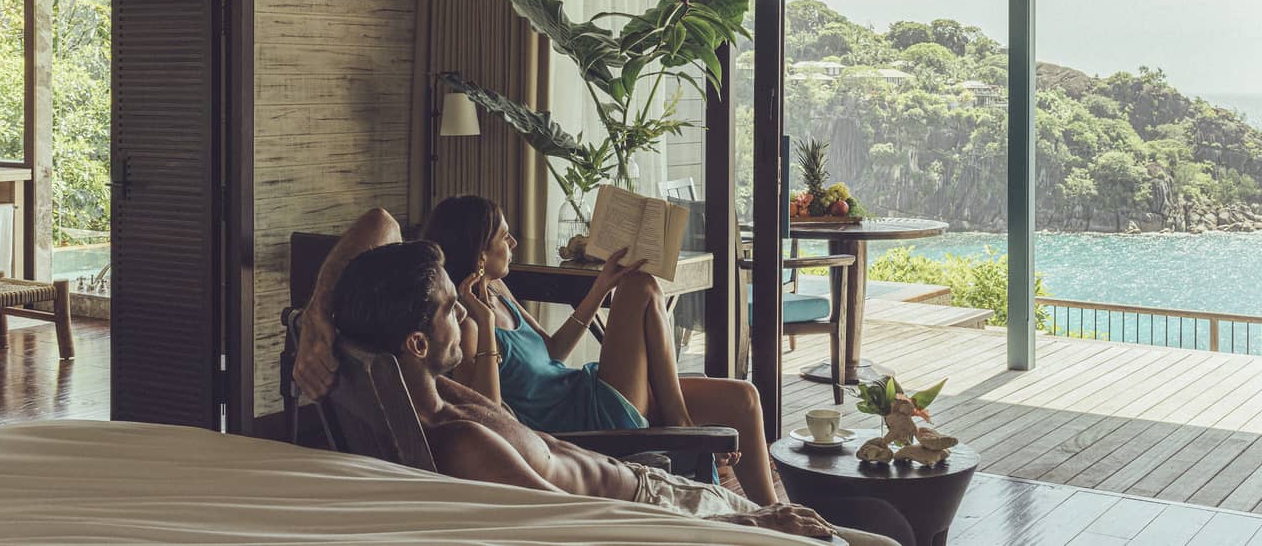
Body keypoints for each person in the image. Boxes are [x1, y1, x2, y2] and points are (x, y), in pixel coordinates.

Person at [319, 213, 899, 546]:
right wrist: (751, 519)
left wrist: (320, 317)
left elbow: (380, 225)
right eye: (451, 311)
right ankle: (707, 450)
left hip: (646, 483)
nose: (462, 319)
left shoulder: (433, 392)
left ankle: (743, 479)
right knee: (882, 542)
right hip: (656, 508)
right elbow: (588, 521)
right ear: (417, 341)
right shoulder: (461, 442)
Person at [420, 194, 777, 504]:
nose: (513, 242)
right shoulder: (467, 324)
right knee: (640, 285)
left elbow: (553, 350)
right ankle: (682, 427)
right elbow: (491, 417)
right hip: (587, 422)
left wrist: (601, 286)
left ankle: (774, 511)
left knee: (743, 398)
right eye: (504, 236)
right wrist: (484, 327)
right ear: (480, 253)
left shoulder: (500, 291)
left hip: (586, 389)